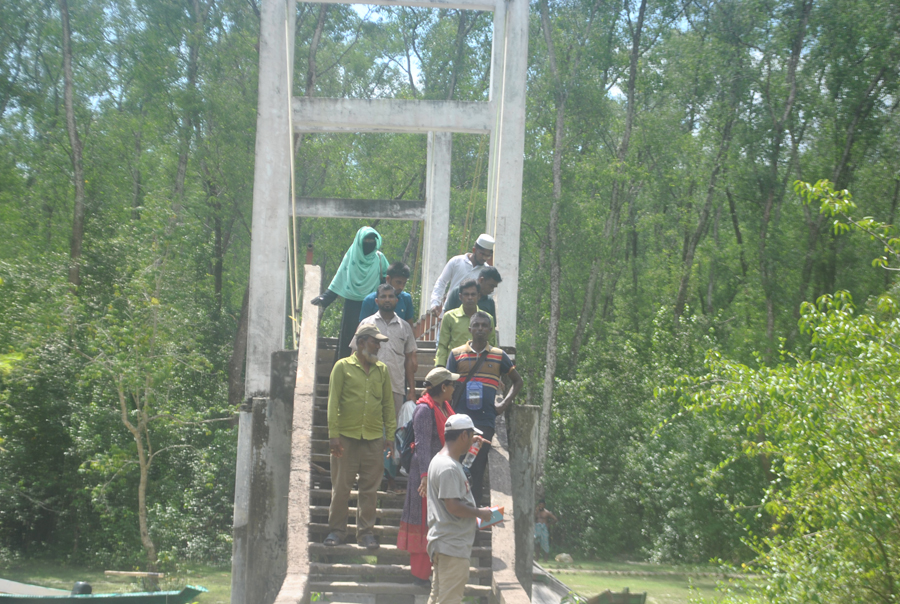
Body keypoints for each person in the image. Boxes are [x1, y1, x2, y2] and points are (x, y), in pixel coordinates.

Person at [324, 323, 396, 551]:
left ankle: (365, 533)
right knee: (341, 488)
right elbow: (333, 402)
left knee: (370, 489)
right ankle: (337, 530)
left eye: (379, 343)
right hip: (345, 438)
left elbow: (388, 404)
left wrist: (390, 436)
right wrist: (333, 435)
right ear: (362, 342)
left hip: (374, 439)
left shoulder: (382, 370)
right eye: (376, 342)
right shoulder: (342, 367)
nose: (378, 347)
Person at [446, 311, 523, 506]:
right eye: (476, 325)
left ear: (489, 330)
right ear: (470, 329)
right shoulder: (456, 354)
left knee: (477, 466)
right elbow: (447, 384)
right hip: (458, 420)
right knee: (455, 463)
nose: (480, 329)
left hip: (484, 421)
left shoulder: (499, 356)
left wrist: (503, 405)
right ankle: (454, 507)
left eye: (484, 326)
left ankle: (472, 511)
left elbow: (518, 381)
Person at [397, 368, 459, 589]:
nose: (454, 387)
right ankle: (420, 575)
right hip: (426, 475)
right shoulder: (424, 410)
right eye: (451, 384)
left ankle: (433, 570)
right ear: (443, 387)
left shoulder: (444, 407)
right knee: (424, 521)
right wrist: (424, 477)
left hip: (440, 473)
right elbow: (421, 445)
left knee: (437, 521)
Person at [426, 414, 494, 604]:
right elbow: (453, 506)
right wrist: (480, 512)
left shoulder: (440, 461)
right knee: (450, 600)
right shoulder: (448, 468)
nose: (473, 438)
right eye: (471, 434)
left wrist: (471, 449)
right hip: (452, 545)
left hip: (443, 542)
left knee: (438, 597)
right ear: (463, 435)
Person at [311, 226, 389, 361]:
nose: (369, 243)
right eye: (366, 240)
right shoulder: (351, 257)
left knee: (372, 337)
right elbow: (340, 277)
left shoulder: (380, 259)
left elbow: (388, 281)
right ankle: (344, 368)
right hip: (352, 304)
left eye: (372, 240)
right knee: (349, 339)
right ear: (360, 241)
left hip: (373, 304)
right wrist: (326, 297)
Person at [353, 283, 418, 419]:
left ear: (396, 300)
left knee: (392, 430)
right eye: (383, 297)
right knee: (369, 425)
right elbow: (354, 355)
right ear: (377, 301)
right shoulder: (366, 324)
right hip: (368, 385)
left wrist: (412, 390)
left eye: (390, 296)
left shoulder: (405, 327)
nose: (387, 299)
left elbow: (409, 360)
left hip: (396, 386)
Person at [428, 234, 494, 316]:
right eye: (482, 254)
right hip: (450, 313)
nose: (484, 258)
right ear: (474, 250)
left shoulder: (487, 272)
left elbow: (488, 295)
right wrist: (435, 303)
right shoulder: (456, 261)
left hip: (473, 320)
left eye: (487, 256)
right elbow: (442, 282)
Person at [434, 280, 496, 368]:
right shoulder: (449, 317)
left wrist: (494, 368)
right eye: (466, 294)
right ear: (460, 296)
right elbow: (442, 345)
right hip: (455, 366)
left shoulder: (488, 318)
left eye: (473, 294)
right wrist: (440, 367)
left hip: (481, 367)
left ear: (478, 296)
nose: (470, 298)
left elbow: (492, 345)